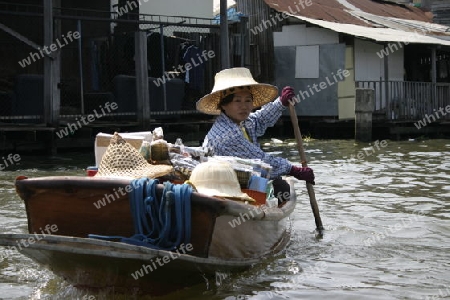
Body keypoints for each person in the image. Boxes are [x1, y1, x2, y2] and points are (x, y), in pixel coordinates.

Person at [196, 67, 314, 203]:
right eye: (237, 101)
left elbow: (259, 119)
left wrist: (281, 102)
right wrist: (293, 170)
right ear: (224, 105)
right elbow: (260, 161)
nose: (244, 106)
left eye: (248, 101)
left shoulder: (241, 122)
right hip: (224, 188)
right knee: (281, 186)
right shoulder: (227, 135)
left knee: (279, 185)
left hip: (236, 180)